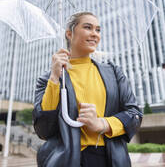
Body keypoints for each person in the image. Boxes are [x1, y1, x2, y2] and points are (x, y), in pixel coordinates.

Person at [33, 11, 143, 167]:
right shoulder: (50, 78)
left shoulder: (113, 72)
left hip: (110, 159)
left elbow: (134, 114)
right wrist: (54, 79)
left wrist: (102, 124)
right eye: (88, 27)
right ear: (69, 34)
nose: (95, 34)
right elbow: (44, 130)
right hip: (68, 160)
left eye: (98, 30)